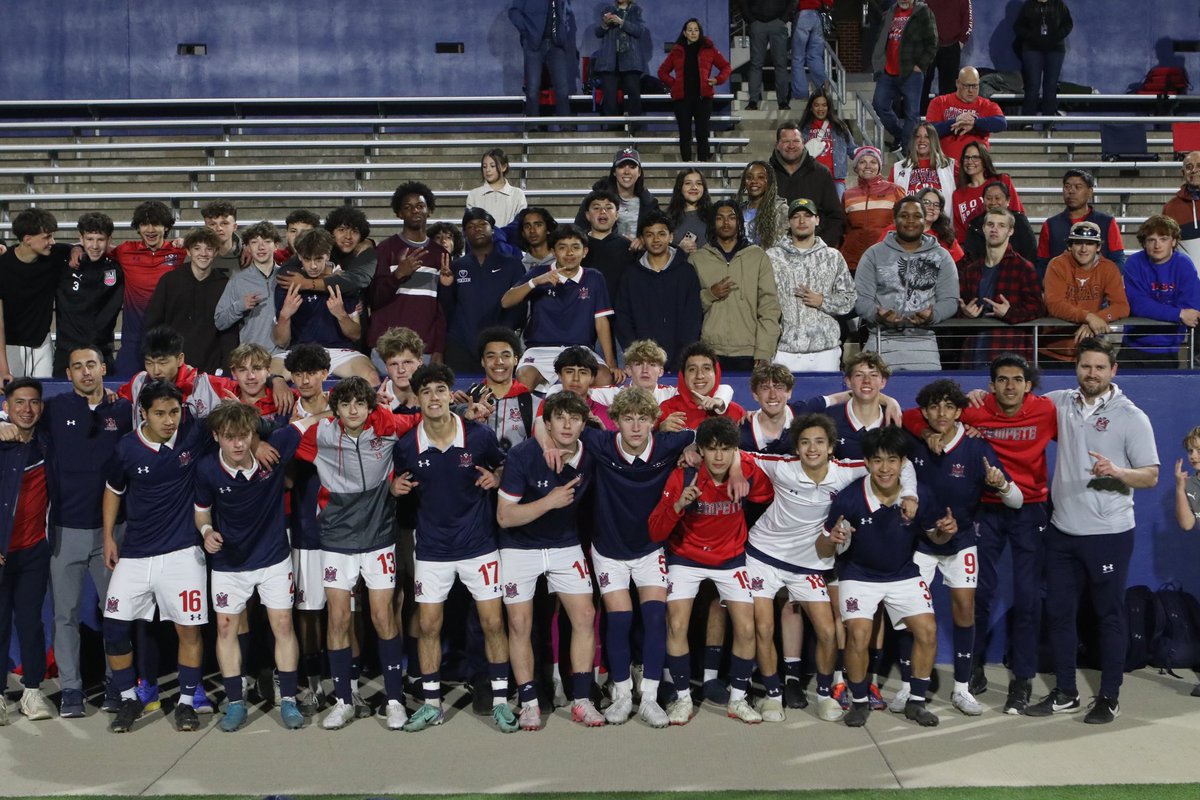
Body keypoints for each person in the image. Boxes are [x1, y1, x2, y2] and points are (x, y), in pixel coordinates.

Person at [1025, 338, 1159, 725]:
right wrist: (984, 394)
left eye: (1100, 367)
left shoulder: (1132, 417)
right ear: (1076, 367)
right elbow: (1018, 407)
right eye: (1086, 366)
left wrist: (1118, 472)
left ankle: (1109, 697)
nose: (1092, 374)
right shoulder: (1059, 402)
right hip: (1062, 530)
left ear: (1113, 371)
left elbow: (1151, 475)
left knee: (1109, 616)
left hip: (1109, 533)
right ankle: (1066, 692)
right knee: (1060, 614)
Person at [390, 364, 516, 734]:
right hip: (431, 550)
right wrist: (392, 490)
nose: (433, 397)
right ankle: (431, 704)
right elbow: (400, 489)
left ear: (450, 394)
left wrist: (498, 477)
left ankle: (499, 702)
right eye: (426, 391)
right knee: (428, 625)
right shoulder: (406, 446)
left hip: (479, 547)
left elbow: (505, 466)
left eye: (440, 389)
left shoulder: (478, 436)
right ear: (416, 398)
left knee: (493, 622)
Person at [293, 377, 420, 730]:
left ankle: (394, 701)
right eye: (345, 403)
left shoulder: (387, 427)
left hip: (379, 538)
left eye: (360, 404)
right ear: (336, 409)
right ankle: (343, 701)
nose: (353, 410)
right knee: (338, 619)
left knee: (382, 617)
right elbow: (279, 442)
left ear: (370, 407)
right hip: (336, 540)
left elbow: (424, 419)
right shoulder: (320, 434)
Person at [894, 379, 1021, 718]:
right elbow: (901, 421)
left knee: (964, 608)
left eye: (949, 407)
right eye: (934, 407)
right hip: (919, 541)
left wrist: (1001, 484)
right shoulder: (913, 442)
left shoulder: (977, 447)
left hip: (962, 540)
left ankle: (962, 689)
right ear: (924, 411)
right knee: (911, 614)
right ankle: (908, 685)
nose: (941, 413)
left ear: (960, 411)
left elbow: (1017, 498)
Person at [573, 387, 697, 727]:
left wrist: (699, 451)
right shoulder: (600, 444)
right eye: (628, 419)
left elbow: (714, 436)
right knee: (620, 619)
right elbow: (549, 423)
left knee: (656, 617)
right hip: (609, 550)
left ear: (654, 422)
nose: (636, 426)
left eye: (643, 419)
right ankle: (623, 695)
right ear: (615, 422)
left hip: (649, 549)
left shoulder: (669, 445)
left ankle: (651, 699)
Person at [195, 401, 321, 732]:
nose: (237, 444)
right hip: (229, 563)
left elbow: (311, 421)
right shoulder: (207, 469)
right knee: (225, 628)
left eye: (244, 436)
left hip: (273, 558)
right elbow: (202, 511)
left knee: (282, 624)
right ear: (216, 436)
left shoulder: (273, 452)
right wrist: (207, 532)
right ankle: (236, 702)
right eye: (229, 437)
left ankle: (289, 700)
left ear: (253, 435)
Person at [101, 380, 216, 733]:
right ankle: (129, 698)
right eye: (161, 413)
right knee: (115, 629)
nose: (170, 421)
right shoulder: (126, 449)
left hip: (184, 552)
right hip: (136, 552)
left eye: (175, 412)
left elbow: (235, 427)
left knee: (189, 630)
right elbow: (113, 490)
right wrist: (108, 537)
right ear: (143, 413)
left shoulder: (193, 433)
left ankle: (185, 702)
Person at [817, 426, 951, 728]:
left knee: (927, 630)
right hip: (858, 575)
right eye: (877, 460)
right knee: (859, 635)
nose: (885, 468)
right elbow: (822, 546)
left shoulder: (920, 496)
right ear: (866, 463)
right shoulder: (849, 498)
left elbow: (936, 537)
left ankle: (916, 702)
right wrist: (833, 538)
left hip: (903, 573)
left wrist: (945, 532)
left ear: (903, 463)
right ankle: (860, 701)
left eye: (892, 460)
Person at [650, 416, 774, 725]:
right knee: (676, 624)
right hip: (686, 558)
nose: (719, 456)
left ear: (735, 450)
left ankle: (738, 699)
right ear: (701, 450)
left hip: (730, 559)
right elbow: (655, 531)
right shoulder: (684, 476)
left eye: (726, 449)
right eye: (712, 449)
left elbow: (766, 496)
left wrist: (740, 467)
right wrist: (679, 505)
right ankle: (682, 699)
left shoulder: (745, 470)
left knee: (747, 628)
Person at [496, 391, 605, 729]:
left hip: (564, 545)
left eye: (575, 418)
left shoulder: (593, 451)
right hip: (519, 547)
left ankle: (582, 700)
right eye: (560, 417)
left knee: (585, 615)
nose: (568, 424)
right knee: (519, 624)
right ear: (547, 422)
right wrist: (550, 501)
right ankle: (529, 702)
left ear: (584, 423)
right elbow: (504, 517)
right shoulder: (523, 455)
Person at [42, 347, 133, 717]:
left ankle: (117, 683)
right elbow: (20, 418)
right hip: (66, 531)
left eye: (91, 365)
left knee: (116, 612)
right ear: (68, 374)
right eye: (77, 367)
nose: (85, 372)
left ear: (103, 368)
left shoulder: (123, 410)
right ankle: (71, 690)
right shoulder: (55, 409)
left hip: (113, 532)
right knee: (64, 615)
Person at [501, 225, 622, 390]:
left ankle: (590, 417)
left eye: (575, 247)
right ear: (553, 252)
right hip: (539, 350)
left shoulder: (594, 277)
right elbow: (506, 301)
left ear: (585, 251)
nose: (570, 253)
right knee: (525, 377)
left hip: (580, 350)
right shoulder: (539, 273)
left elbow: (601, 322)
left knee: (604, 377)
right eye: (562, 247)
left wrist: (611, 364)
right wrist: (535, 282)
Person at [0, 379, 54, 723]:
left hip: (34, 550)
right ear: (7, 406)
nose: (27, 409)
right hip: (2, 550)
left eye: (33, 402)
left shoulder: (49, 442)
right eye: (19, 403)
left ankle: (32, 692)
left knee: (31, 624)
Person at [855, 197, 960, 370]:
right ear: (894, 220)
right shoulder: (873, 254)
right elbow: (860, 298)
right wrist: (876, 314)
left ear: (924, 220)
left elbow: (950, 300)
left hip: (924, 344)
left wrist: (933, 315)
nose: (910, 221)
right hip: (880, 341)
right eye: (904, 215)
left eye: (917, 216)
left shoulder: (942, 256)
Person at [273, 228, 378, 386]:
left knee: (371, 377)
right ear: (300, 257)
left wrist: (341, 315)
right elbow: (281, 341)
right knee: (267, 377)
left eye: (319, 259)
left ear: (328, 255)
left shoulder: (342, 284)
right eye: (308, 259)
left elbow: (355, 334)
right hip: (299, 351)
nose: (313, 266)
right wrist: (285, 315)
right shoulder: (288, 285)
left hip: (339, 353)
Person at [689, 200, 782, 371]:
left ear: (739, 222)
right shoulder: (697, 259)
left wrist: (764, 350)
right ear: (712, 222)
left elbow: (769, 308)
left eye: (732, 217)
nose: (726, 223)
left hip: (749, 351)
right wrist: (710, 294)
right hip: (710, 351)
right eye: (720, 218)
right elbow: (687, 309)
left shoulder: (758, 257)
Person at [766, 198, 857, 372]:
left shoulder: (833, 257)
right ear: (788, 221)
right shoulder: (772, 257)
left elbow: (850, 299)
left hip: (825, 352)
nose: (802, 221)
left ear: (817, 220)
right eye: (796, 216)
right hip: (785, 351)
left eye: (808, 215)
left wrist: (823, 301)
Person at [369, 181, 449, 363]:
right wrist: (398, 275)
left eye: (420, 206)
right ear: (399, 213)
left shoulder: (441, 254)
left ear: (429, 210)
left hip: (424, 350)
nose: (415, 211)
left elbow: (442, 310)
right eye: (408, 207)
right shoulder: (385, 249)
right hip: (387, 348)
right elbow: (374, 300)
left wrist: (438, 348)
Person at [440, 208, 527, 372]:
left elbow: (520, 308)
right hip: (460, 344)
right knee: (459, 395)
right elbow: (446, 310)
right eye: (471, 226)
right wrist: (445, 286)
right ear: (465, 233)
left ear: (493, 229)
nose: (477, 228)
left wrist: (502, 333)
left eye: (482, 224)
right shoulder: (456, 266)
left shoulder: (512, 264)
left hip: (499, 345)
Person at [956, 208, 1045, 367]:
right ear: (983, 228)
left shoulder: (1023, 268)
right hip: (974, 353)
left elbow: (1038, 308)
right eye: (990, 224)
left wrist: (1010, 313)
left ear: (1010, 231)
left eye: (1001, 225)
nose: (994, 229)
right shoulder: (971, 270)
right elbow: (959, 306)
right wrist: (965, 313)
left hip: (1009, 351)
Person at [614, 211, 702, 370]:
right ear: (641, 239)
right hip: (641, 363)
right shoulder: (630, 275)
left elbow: (693, 318)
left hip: (679, 361)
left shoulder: (686, 272)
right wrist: (637, 354)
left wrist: (683, 355)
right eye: (649, 234)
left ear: (670, 237)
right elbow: (623, 318)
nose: (656, 239)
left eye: (661, 234)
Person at [144, 227, 238, 376]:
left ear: (216, 252)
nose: (203, 253)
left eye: (209, 249)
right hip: (173, 369)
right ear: (188, 251)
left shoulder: (225, 284)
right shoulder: (170, 281)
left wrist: (226, 368)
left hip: (212, 371)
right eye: (197, 248)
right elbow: (153, 324)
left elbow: (229, 332)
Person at [111, 201, 188, 378]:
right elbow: (97, 249)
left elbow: (213, 248)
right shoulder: (125, 251)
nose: (150, 229)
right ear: (138, 228)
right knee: (125, 393)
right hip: (133, 341)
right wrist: (76, 248)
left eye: (156, 224)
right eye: (145, 224)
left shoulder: (179, 252)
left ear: (166, 227)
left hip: (166, 341)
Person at [1041, 221, 1129, 363]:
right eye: (1078, 243)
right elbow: (1054, 304)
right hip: (1053, 351)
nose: (1084, 249)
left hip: (1089, 354)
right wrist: (1088, 317)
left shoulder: (1109, 268)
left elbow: (1121, 306)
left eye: (1089, 243)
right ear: (1070, 246)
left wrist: (1096, 319)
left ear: (1098, 247)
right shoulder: (1057, 265)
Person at [1122, 215, 1200, 368]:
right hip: (1132, 347)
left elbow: (1191, 307)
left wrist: (1156, 310)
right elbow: (1138, 305)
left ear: (1174, 241)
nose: (1157, 245)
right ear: (1144, 243)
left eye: (1163, 239)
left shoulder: (1184, 265)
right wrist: (1178, 314)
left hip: (1168, 349)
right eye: (1151, 240)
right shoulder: (1134, 263)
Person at [0, 209, 69, 381]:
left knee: (43, 400)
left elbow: (80, 247)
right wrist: (3, 368)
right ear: (27, 239)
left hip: (42, 345)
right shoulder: (2, 266)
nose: (52, 242)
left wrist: (77, 250)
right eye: (46, 237)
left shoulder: (55, 255)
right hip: (9, 347)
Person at [55, 213, 123, 376]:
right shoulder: (63, 263)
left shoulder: (119, 266)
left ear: (109, 239)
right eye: (90, 239)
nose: (95, 245)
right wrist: (74, 248)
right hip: (66, 352)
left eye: (100, 239)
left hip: (102, 352)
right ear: (81, 238)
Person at [870, 0, 938, 156]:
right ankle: (901, 135)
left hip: (911, 72)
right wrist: (879, 63)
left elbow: (932, 42)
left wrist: (920, 65)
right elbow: (882, 39)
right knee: (879, 105)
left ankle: (908, 150)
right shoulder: (890, 13)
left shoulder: (923, 13)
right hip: (888, 71)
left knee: (911, 113)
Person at [658, 18, 730, 163]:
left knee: (702, 132)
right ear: (684, 33)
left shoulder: (709, 49)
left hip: (703, 98)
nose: (693, 33)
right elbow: (662, 72)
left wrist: (717, 80)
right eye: (690, 30)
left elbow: (726, 67)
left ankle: (703, 164)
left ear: (700, 32)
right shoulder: (677, 51)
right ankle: (687, 165)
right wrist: (675, 83)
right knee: (685, 133)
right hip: (682, 100)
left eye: (696, 30)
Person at [1036, 169, 1126, 276]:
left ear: (1090, 192)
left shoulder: (1107, 222)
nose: (1071, 191)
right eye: (1067, 186)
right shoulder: (1050, 225)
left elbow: (1118, 261)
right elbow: (1041, 264)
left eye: (1078, 187)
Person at [769, 121, 845, 246]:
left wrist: (820, 247)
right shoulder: (765, 174)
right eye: (786, 141)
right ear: (777, 145)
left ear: (803, 143)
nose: (791, 145)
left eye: (796, 141)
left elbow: (835, 217)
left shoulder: (821, 173)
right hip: (775, 250)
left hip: (814, 250)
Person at [462, 327, 536, 453]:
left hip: (517, 471)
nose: (499, 362)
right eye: (491, 356)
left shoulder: (533, 403)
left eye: (506, 355)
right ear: (482, 361)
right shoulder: (466, 400)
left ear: (516, 360)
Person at [214, 221, 283, 355]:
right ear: (248, 248)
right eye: (254, 242)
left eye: (267, 241)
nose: (261, 247)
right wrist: (239, 306)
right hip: (251, 358)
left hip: (283, 356)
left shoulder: (287, 277)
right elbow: (220, 322)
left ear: (276, 245)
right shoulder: (238, 280)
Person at [841, 146, 908, 272]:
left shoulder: (894, 190)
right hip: (854, 262)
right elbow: (844, 229)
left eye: (873, 162)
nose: (868, 166)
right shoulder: (848, 194)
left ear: (879, 166)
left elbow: (904, 225)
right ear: (856, 167)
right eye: (862, 162)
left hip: (887, 261)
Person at [508, 0, 578, 120]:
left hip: (556, 44)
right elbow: (513, 12)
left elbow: (564, 14)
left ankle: (566, 128)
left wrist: (562, 34)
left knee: (562, 88)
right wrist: (527, 32)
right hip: (534, 44)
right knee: (532, 88)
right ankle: (533, 127)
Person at [573, 148, 661, 241]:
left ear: (639, 172)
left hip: (639, 255)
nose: (627, 171)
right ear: (614, 172)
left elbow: (658, 233)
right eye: (621, 166)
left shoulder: (649, 203)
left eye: (632, 167)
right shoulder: (594, 199)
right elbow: (579, 231)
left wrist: (644, 241)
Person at [926, 66, 1007, 163]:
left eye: (975, 86)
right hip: (946, 166)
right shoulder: (940, 102)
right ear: (957, 83)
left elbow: (1001, 123)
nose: (971, 90)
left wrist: (974, 123)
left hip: (976, 167)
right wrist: (956, 122)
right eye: (967, 86)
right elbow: (930, 130)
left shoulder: (986, 105)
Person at [659, 341, 748, 429]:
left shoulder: (735, 412)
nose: (699, 375)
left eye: (706, 368)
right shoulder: (667, 411)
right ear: (683, 375)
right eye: (692, 369)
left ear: (716, 373)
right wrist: (660, 433)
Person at [1013, 0, 1074, 126]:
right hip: (1032, 50)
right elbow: (1018, 27)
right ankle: (1028, 123)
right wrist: (1032, 37)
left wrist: (1055, 37)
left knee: (1050, 87)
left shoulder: (1059, 5)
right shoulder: (1028, 6)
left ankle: (1048, 123)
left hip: (1055, 50)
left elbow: (1068, 24)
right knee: (1033, 86)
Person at [951, 142, 1025, 243]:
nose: (970, 161)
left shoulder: (1002, 181)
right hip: (976, 249)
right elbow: (961, 233)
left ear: (984, 161)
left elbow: (1017, 214)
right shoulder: (958, 194)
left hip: (1008, 245)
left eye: (975, 157)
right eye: (967, 157)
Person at [962, 180, 1038, 264]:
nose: (993, 202)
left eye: (997, 198)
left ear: (1008, 200)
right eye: (988, 198)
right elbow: (969, 257)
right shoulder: (974, 224)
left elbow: (1030, 252)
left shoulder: (1019, 221)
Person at [592, 1, 645, 121]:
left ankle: (635, 129)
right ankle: (612, 131)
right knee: (609, 99)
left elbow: (639, 31)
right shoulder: (608, 9)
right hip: (609, 61)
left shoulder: (636, 10)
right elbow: (598, 33)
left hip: (631, 61)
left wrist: (621, 22)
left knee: (633, 97)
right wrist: (604, 24)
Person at [799, 88, 857, 199]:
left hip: (836, 180)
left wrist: (868, 154)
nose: (820, 109)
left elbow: (852, 150)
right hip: (809, 179)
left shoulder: (840, 127)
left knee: (837, 214)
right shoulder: (802, 129)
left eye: (824, 105)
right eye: (816, 105)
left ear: (829, 107)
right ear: (811, 107)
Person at [921, 0, 973, 114]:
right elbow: (919, 14)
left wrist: (961, 41)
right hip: (928, 45)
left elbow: (968, 21)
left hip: (951, 47)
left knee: (949, 88)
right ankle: (921, 120)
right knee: (922, 84)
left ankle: (946, 119)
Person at [738, 0, 791, 111]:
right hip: (758, 24)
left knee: (780, 64)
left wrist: (784, 18)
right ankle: (753, 101)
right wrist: (750, 20)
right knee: (756, 65)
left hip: (777, 23)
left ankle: (782, 101)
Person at [466, 149, 528, 228]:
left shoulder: (517, 194)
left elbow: (520, 223)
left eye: (492, 166)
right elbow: (470, 225)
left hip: (509, 240)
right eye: (484, 166)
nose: (488, 170)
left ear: (504, 167)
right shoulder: (474, 195)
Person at [891, 122, 956, 196]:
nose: (922, 140)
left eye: (927, 136)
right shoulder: (898, 168)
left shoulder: (951, 165)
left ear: (933, 140)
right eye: (918, 136)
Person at [735, 160, 788, 249]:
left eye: (760, 177)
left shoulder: (781, 210)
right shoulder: (738, 210)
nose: (754, 181)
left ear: (769, 181)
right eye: (749, 177)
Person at [791, 0, 833, 105]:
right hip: (817, 16)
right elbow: (829, 2)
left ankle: (801, 94)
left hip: (803, 14)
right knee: (815, 56)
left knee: (798, 58)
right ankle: (824, 89)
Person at [1162, 151, 1200, 264]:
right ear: (1183, 173)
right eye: (1189, 167)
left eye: (1199, 166)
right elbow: (1167, 247)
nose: (1194, 170)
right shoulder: (1171, 207)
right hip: (1186, 278)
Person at [665, 169, 713, 252]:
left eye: (699, 183)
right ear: (680, 187)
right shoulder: (667, 218)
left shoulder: (714, 216)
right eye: (688, 183)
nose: (694, 187)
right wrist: (679, 250)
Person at [200, 200, 241, 275]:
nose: (219, 228)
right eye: (212, 224)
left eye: (225, 223)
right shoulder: (195, 254)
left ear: (234, 227)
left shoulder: (250, 253)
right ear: (205, 227)